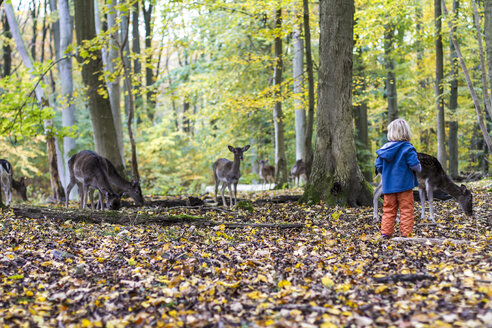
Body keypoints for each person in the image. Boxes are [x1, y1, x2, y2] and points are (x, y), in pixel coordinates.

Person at [375, 119, 421, 238]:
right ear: (406, 132)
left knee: (389, 209)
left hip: (389, 186)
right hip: (405, 185)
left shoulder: (384, 149)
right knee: (406, 209)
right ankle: (406, 234)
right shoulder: (408, 148)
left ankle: (385, 233)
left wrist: (386, 174)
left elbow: (378, 166)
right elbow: (414, 165)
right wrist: (419, 169)